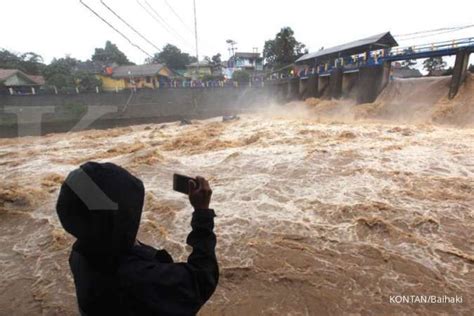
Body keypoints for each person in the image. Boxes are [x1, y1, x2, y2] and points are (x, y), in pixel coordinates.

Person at [56, 162, 218, 316]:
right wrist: (202, 213)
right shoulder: (139, 278)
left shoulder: (80, 254)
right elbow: (201, 279)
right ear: (118, 218)